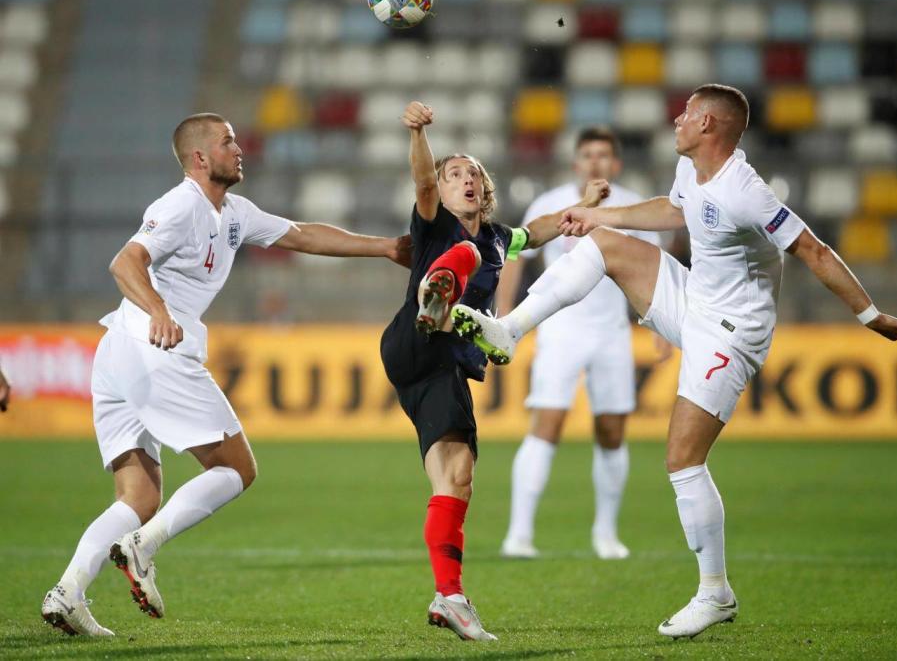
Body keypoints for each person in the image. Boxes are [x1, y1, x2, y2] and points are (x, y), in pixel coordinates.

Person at [450, 84, 897, 639]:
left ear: (711, 125)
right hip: (693, 300)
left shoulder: (747, 192)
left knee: (682, 460)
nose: (677, 118)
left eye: (689, 113)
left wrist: (872, 317)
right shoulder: (692, 173)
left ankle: (715, 591)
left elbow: (812, 248)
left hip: (731, 334)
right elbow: (675, 211)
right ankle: (510, 329)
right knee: (604, 242)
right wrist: (599, 214)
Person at [41, 113, 411, 637]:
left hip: (120, 353)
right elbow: (125, 263)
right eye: (227, 141)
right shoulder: (180, 204)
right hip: (154, 347)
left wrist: (387, 247)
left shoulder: (233, 211)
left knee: (139, 497)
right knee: (237, 468)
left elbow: (303, 235)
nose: (239, 148)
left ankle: (69, 592)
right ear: (199, 157)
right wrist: (160, 311)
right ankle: (143, 547)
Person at [380, 101, 609, 642]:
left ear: (485, 190)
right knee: (462, 254)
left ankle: (449, 596)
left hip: (442, 369)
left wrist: (585, 204)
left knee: (455, 478)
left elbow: (539, 230)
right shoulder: (435, 223)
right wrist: (418, 136)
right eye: (454, 173)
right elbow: (422, 182)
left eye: (473, 174)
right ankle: (437, 295)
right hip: (417, 337)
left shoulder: (502, 239)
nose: (465, 179)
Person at [497, 126, 670, 561]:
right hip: (561, 329)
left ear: (616, 164)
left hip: (612, 330)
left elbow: (653, 271)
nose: (595, 162)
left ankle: (606, 533)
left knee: (612, 431)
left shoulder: (636, 207)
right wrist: (503, 313)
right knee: (547, 424)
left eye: (603, 155)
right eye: (588, 155)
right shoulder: (550, 204)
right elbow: (516, 253)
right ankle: (518, 534)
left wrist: (659, 326)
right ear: (576, 163)